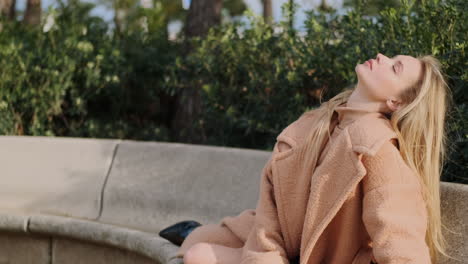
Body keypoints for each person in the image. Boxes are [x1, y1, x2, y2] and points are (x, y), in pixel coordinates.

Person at [159, 53, 455, 264]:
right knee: (199, 249)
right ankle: (194, 232)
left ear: (396, 102)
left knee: (198, 254)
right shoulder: (314, 127)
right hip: (282, 246)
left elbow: (400, 244)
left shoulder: (378, 152)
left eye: (395, 67)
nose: (380, 56)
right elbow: (270, 212)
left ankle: (193, 233)